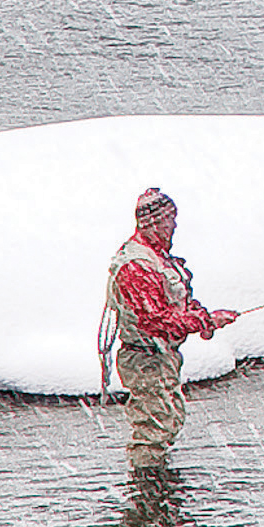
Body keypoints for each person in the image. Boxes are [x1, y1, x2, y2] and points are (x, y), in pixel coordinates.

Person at [100, 186, 237, 473]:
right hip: (145, 359)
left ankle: (155, 489)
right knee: (154, 427)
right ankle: (146, 489)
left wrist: (200, 316)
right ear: (153, 222)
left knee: (169, 419)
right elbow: (154, 320)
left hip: (162, 357)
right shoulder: (137, 266)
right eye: (169, 220)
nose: (173, 226)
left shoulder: (159, 258)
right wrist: (205, 321)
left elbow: (176, 302)